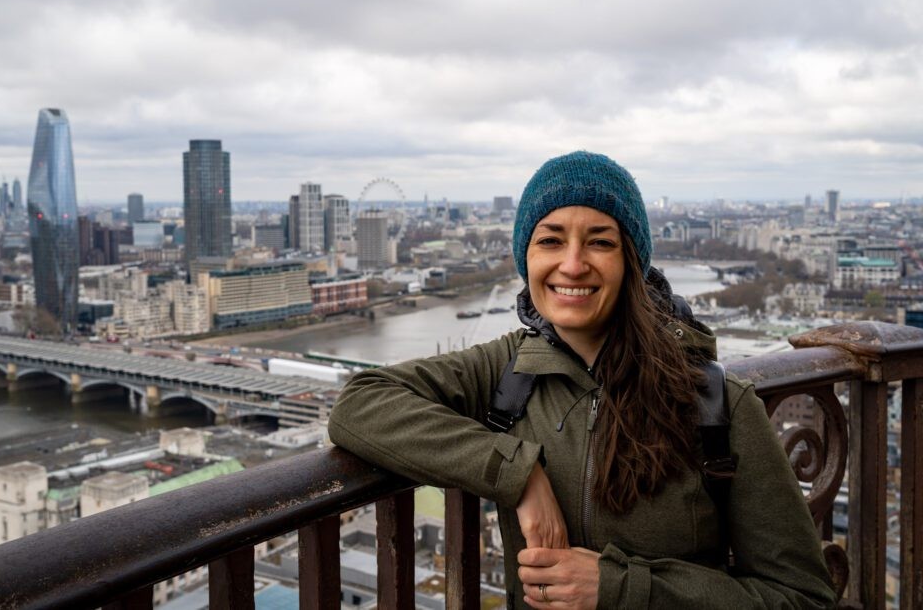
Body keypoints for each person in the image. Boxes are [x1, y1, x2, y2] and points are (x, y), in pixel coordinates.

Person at [328, 151, 836, 609]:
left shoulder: (716, 403)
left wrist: (621, 588)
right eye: (550, 240)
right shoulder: (507, 371)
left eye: (599, 242)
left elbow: (802, 598)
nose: (572, 265)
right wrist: (517, 473)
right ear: (526, 259)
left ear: (630, 262)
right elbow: (361, 403)